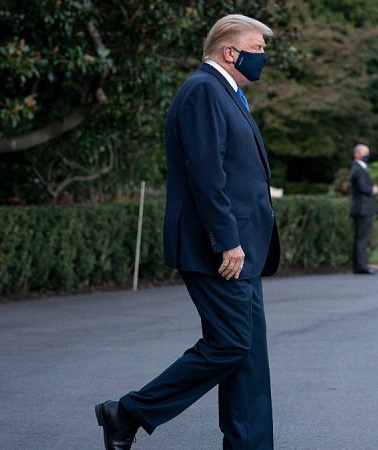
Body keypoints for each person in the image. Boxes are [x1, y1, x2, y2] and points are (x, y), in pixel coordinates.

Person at [95, 14, 280, 450]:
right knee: (232, 343)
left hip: (243, 249)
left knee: (249, 355)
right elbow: (206, 175)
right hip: (218, 249)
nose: (263, 58)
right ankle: (128, 412)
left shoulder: (226, 93)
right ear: (229, 52)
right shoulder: (202, 91)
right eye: (257, 49)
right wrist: (227, 240)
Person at [349, 144, 378, 275]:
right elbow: (363, 187)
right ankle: (361, 266)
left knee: (360, 238)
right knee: (363, 238)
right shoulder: (359, 170)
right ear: (357, 154)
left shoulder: (358, 169)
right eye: (364, 153)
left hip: (361, 208)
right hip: (363, 209)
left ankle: (359, 265)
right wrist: (373, 189)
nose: (367, 156)